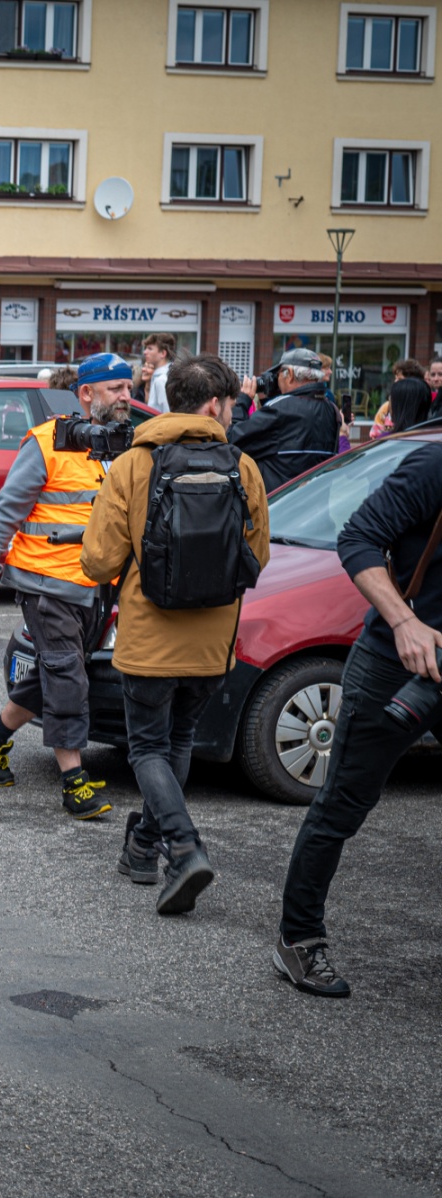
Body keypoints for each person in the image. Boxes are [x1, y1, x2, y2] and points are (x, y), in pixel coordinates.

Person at [80, 355, 270, 915]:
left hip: (149, 637)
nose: (232, 413)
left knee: (147, 748)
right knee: (179, 741)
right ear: (214, 405)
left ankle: (183, 849)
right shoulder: (243, 467)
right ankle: (143, 846)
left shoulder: (133, 464)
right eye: (231, 404)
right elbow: (256, 557)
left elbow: (98, 562)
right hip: (212, 642)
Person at [275, 439, 442, 997]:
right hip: (396, 662)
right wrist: (403, 622)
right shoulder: (434, 464)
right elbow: (359, 538)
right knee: (342, 804)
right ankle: (298, 940)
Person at [0, 352, 133, 819]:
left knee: (57, 671)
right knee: (66, 676)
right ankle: (73, 781)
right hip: (47, 582)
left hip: (99, 586)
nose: (126, 396)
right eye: (116, 389)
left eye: (129, 387)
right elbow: (7, 510)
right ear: (86, 393)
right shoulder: (45, 443)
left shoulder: (124, 446)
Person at [228, 347, 344, 493]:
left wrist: (243, 401)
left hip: (279, 502)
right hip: (316, 501)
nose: (277, 380)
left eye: (279, 375)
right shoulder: (331, 410)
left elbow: (232, 440)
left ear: (289, 374)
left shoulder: (280, 410)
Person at [140, 332, 175, 409]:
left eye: (150, 349)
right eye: (146, 348)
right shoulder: (167, 374)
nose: (145, 352)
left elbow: (166, 411)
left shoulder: (161, 380)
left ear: (163, 353)